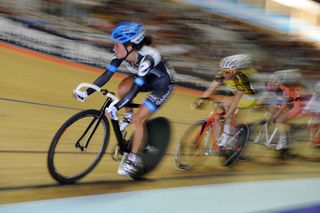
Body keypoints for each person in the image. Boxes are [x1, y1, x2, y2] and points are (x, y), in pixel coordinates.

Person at [73, 22, 174, 176]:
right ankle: (127, 117)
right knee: (122, 88)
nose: (114, 49)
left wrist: (117, 106)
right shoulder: (123, 53)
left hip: (162, 85)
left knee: (138, 119)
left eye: (117, 45)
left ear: (130, 46)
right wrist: (86, 93)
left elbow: (134, 91)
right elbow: (106, 75)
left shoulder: (147, 58)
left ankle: (132, 159)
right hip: (145, 79)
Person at [193, 54, 257, 151]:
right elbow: (211, 88)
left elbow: (236, 101)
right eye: (222, 71)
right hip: (234, 92)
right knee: (219, 111)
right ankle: (219, 141)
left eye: (227, 72)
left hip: (248, 97)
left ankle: (226, 137)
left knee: (227, 108)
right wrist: (202, 99)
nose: (224, 74)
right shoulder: (223, 74)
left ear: (235, 71)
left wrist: (226, 116)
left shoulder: (242, 78)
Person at [265, 70, 306, 150]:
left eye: (274, 85)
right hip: (288, 103)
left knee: (278, 120)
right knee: (271, 109)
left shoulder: (285, 90)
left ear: (279, 84)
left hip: (294, 106)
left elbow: (283, 106)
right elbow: (275, 101)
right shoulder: (273, 86)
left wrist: (276, 115)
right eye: (272, 84)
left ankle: (282, 140)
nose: (272, 86)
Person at [303, 80, 320, 145]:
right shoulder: (315, 95)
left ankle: (315, 140)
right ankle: (313, 140)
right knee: (312, 125)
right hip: (316, 114)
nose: (318, 94)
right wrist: (305, 110)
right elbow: (310, 103)